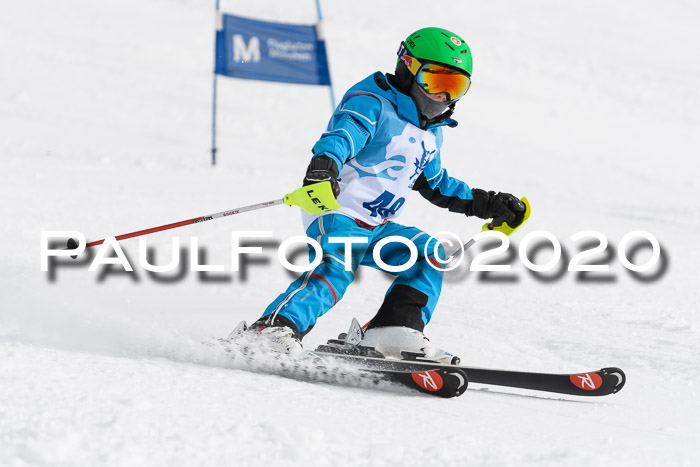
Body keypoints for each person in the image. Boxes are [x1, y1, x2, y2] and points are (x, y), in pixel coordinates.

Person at [235, 27, 526, 359]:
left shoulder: (431, 134)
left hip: (378, 224)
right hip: (336, 209)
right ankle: (271, 329)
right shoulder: (372, 102)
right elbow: (343, 134)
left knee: (429, 254)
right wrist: (324, 166)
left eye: (454, 87)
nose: (442, 98)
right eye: (435, 82)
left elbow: (435, 183)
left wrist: (485, 203)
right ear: (408, 68)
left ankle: (394, 328)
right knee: (337, 267)